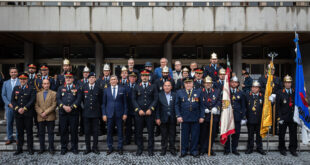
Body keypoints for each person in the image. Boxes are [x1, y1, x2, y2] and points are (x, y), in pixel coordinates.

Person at [175, 77, 204, 158]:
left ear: (192, 84)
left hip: (196, 118)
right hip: (184, 118)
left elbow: (202, 105)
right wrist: (178, 115)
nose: (188, 84)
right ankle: (183, 150)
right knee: (184, 136)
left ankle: (194, 150)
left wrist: (202, 116)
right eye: (186, 83)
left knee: (195, 135)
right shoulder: (179, 92)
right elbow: (176, 105)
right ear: (184, 84)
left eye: (189, 83)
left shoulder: (198, 92)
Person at [132, 70, 158, 156]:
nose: (144, 77)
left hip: (150, 113)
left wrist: (151, 109)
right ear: (140, 77)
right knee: (139, 132)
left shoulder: (153, 86)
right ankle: (140, 148)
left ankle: (150, 149)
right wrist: (138, 109)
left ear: (148, 76)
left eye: (146, 75)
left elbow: (155, 99)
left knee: (151, 132)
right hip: (139, 114)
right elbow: (133, 99)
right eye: (143, 75)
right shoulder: (136, 86)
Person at [57, 71, 82, 155]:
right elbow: (58, 99)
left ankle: (74, 147)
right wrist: (63, 106)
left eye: (70, 78)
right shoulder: (60, 88)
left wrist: (71, 107)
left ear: (73, 79)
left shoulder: (77, 88)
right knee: (63, 131)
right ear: (65, 79)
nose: (68, 79)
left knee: (74, 131)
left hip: (73, 113)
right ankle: (63, 147)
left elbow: (78, 99)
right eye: (67, 78)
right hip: (63, 113)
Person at [11, 73, 36, 155]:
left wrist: (24, 108)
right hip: (18, 114)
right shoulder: (16, 88)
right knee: (20, 132)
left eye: (24, 79)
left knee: (29, 132)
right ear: (19, 80)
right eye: (21, 79)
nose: (22, 80)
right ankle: (19, 148)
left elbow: (32, 100)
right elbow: (13, 101)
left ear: (27, 80)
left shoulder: (31, 88)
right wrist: (18, 109)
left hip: (28, 114)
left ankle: (30, 148)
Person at [102, 75, 128, 155]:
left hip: (119, 115)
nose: (113, 81)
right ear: (110, 81)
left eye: (114, 79)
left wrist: (125, 113)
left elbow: (125, 103)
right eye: (111, 79)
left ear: (117, 81)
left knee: (120, 132)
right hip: (109, 114)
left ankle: (120, 148)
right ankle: (110, 147)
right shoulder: (106, 90)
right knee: (109, 132)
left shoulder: (122, 89)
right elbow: (103, 104)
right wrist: (104, 114)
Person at [275, 75, 298, 157]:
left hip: (293, 117)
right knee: (282, 134)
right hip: (283, 117)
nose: (288, 84)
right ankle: (282, 148)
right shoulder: (280, 92)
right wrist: (279, 117)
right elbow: (277, 106)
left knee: (293, 134)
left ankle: (293, 149)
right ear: (284, 83)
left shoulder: (295, 92)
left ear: (291, 83)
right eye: (286, 82)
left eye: (289, 82)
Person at [224, 76, 246, 156]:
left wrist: (243, 117)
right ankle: (227, 148)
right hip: (227, 116)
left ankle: (234, 148)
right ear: (230, 83)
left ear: (238, 84)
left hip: (237, 116)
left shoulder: (241, 93)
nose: (234, 83)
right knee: (227, 133)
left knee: (236, 134)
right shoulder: (226, 92)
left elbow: (243, 106)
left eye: (235, 82)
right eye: (232, 82)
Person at [199, 76, 221, 156]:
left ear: (212, 84)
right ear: (204, 84)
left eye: (209, 83)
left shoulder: (217, 91)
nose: (208, 84)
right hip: (204, 116)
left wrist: (216, 107)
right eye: (206, 83)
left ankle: (209, 148)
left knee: (212, 133)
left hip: (213, 116)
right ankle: (202, 149)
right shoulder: (200, 91)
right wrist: (204, 108)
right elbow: (199, 102)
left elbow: (219, 101)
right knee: (203, 134)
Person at [81, 72, 102, 155]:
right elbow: (82, 100)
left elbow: (101, 101)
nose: (91, 79)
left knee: (95, 131)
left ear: (95, 79)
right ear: (88, 79)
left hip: (96, 113)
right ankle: (88, 148)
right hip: (86, 113)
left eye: (93, 77)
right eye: (90, 77)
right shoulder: (84, 87)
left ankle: (95, 148)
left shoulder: (99, 88)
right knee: (87, 131)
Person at [35, 79, 57, 155]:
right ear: (42, 85)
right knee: (41, 133)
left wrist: (45, 113)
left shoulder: (54, 93)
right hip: (40, 116)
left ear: (49, 84)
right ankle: (42, 148)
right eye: (44, 84)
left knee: (51, 133)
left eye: (47, 83)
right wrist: (41, 113)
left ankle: (51, 148)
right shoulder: (38, 94)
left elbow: (54, 105)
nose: (46, 85)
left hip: (50, 116)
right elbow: (36, 105)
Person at [156, 81, 177, 156]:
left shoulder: (175, 95)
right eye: (165, 85)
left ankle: (172, 149)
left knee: (172, 134)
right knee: (164, 135)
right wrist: (157, 118)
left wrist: (177, 116)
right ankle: (163, 149)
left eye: (169, 85)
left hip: (172, 118)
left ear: (171, 87)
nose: (167, 87)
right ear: (163, 87)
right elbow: (157, 108)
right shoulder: (159, 95)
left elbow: (176, 106)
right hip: (163, 118)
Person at [245, 81, 266, 155]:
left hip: (259, 119)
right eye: (253, 87)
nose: (254, 89)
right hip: (250, 118)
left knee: (259, 135)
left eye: (256, 87)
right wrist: (244, 117)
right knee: (250, 135)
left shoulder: (262, 96)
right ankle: (250, 148)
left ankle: (259, 148)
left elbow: (266, 107)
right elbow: (245, 107)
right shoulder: (247, 95)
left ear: (259, 89)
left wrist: (271, 101)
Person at [1, 67, 20, 145]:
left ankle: (18, 138)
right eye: (12, 72)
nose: (13, 73)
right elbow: (3, 95)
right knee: (9, 123)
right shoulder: (5, 83)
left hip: (18, 106)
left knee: (18, 123)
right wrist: (8, 103)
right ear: (9, 73)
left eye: (15, 72)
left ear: (17, 73)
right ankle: (10, 138)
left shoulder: (20, 81)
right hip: (9, 107)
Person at [124, 72, 138, 145]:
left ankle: (136, 140)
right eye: (131, 77)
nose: (132, 78)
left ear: (135, 78)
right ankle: (127, 140)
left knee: (137, 126)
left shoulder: (138, 86)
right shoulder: (125, 87)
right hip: (128, 110)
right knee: (128, 126)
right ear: (129, 78)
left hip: (136, 110)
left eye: (134, 77)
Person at [77, 66, 90, 137]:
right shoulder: (79, 82)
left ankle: (88, 131)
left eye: (87, 73)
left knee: (89, 118)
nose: (86, 74)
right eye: (84, 73)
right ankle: (81, 131)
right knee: (82, 118)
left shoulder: (91, 80)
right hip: (81, 103)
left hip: (89, 102)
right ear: (83, 74)